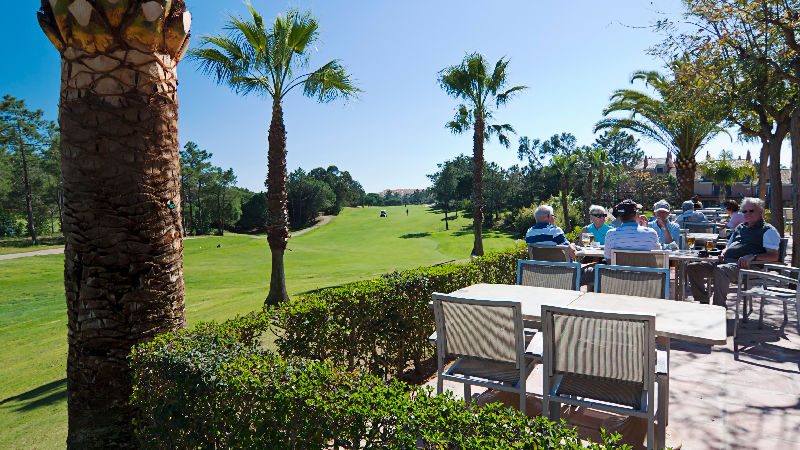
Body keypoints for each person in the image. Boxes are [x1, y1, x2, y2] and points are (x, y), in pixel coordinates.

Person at [686, 197, 781, 306]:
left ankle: (719, 307)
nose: (747, 214)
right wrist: (723, 252)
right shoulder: (740, 228)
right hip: (726, 263)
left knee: (721, 270)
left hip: (749, 266)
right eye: (745, 211)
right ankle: (703, 301)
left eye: (751, 210)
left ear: (761, 211)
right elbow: (729, 245)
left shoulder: (768, 230)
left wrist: (753, 256)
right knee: (693, 268)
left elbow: (774, 256)